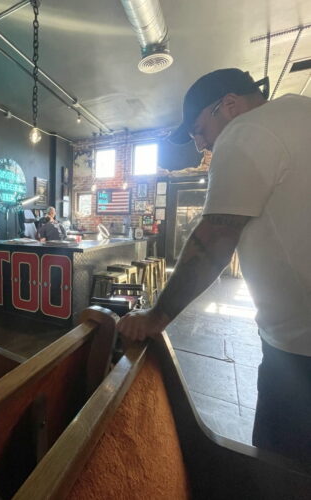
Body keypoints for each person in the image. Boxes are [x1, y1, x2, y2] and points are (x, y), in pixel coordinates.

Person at [118, 68, 311, 463]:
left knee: (280, 474)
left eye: (199, 131)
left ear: (229, 105)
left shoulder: (246, 131)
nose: (201, 144)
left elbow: (215, 241)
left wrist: (156, 317)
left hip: (300, 353)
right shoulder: (299, 113)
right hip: (297, 343)